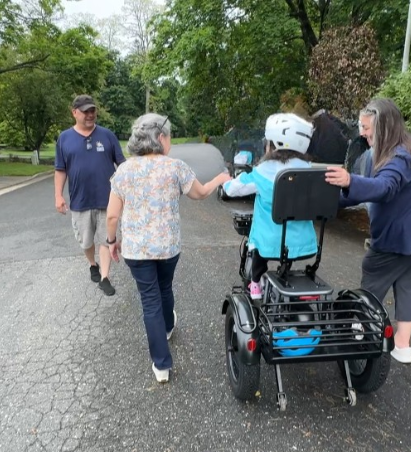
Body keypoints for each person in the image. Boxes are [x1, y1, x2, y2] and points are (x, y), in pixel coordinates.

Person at [106, 113, 231, 383]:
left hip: (137, 251)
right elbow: (199, 193)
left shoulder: (124, 170)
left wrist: (111, 241)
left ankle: (161, 366)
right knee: (164, 288)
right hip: (167, 247)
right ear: (160, 137)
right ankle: (168, 327)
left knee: (149, 299)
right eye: (169, 136)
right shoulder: (175, 167)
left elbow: (112, 216)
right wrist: (219, 179)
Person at [324, 98, 411, 364]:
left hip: (402, 235)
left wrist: (348, 180)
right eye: (361, 125)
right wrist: (329, 201)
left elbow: (384, 188)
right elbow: (369, 188)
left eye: (366, 127)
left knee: (374, 274)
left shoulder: (399, 156)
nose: (362, 132)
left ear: (384, 126)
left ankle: (360, 331)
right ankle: (402, 347)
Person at [221, 113, 319, 300]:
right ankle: (286, 274)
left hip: (271, 242)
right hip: (303, 242)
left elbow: (234, 189)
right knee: (284, 242)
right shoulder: (308, 169)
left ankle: (255, 283)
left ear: (273, 145)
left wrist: (225, 183)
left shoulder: (264, 171)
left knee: (256, 245)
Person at [54, 94, 126, 296]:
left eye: (92, 110)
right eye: (85, 111)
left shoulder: (107, 135)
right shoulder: (64, 138)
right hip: (80, 200)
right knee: (86, 241)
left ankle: (105, 277)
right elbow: (60, 169)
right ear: (74, 112)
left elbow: (122, 164)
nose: (90, 114)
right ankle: (92, 263)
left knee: (105, 239)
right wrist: (58, 196)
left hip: (107, 199)